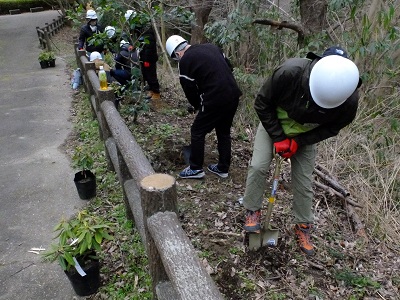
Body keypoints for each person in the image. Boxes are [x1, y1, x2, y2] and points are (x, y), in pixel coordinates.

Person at [241, 46, 362, 256]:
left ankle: (303, 226)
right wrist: (279, 137)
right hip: (273, 124)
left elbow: (332, 128)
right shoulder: (290, 72)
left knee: (304, 181)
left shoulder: (348, 99)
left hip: (305, 136)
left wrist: (300, 141)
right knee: (258, 166)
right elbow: (262, 103)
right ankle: (252, 210)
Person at [165, 35, 242, 179]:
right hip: (233, 94)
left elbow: (190, 90)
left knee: (197, 130)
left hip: (215, 98)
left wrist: (198, 106)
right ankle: (223, 168)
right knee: (223, 131)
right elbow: (229, 67)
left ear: (177, 53)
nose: (178, 61)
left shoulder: (185, 61)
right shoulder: (211, 47)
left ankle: (195, 168)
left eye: (176, 58)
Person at [127, 9, 161, 101]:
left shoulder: (146, 30)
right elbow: (138, 41)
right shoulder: (139, 29)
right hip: (143, 56)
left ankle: (156, 93)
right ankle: (151, 91)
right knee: (146, 75)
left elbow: (149, 46)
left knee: (151, 75)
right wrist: (133, 46)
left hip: (149, 57)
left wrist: (146, 60)